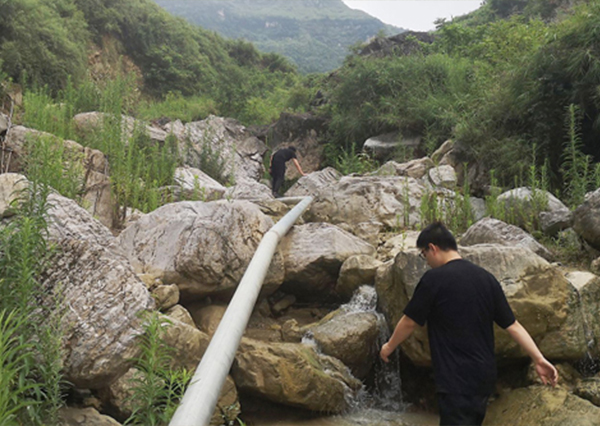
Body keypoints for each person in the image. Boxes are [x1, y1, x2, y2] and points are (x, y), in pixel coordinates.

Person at [380, 222, 558, 426]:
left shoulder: (434, 279)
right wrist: (538, 358)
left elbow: (410, 321)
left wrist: (389, 346)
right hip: (483, 379)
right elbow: (513, 326)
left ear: (433, 248)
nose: (426, 261)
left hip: (455, 379)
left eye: (424, 254)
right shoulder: (487, 279)